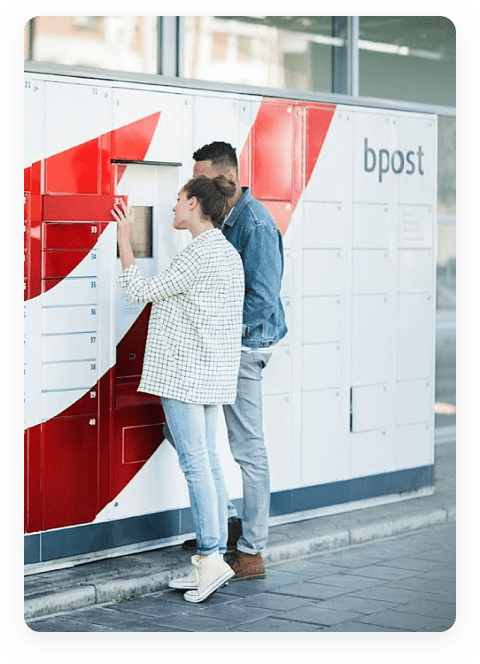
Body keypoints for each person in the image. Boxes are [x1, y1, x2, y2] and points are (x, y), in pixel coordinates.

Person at [113, 175, 244, 603]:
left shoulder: (198, 254)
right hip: (210, 375)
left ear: (193, 205)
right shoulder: (225, 252)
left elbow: (139, 291)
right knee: (208, 462)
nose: (172, 208)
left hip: (185, 376)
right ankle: (215, 557)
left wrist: (124, 239)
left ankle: (209, 558)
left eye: (177, 201)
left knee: (195, 465)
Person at [192, 141, 288, 581]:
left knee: (248, 448)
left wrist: (219, 333)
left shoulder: (255, 224)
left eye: (203, 180)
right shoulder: (224, 218)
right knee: (184, 432)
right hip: (224, 346)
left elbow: (262, 301)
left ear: (227, 180)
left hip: (244, 349)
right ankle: (229, 521)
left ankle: (251, 551)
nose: (195, 188)